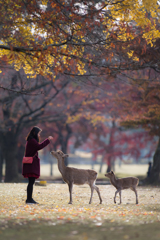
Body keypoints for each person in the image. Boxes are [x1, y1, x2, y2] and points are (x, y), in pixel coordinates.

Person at [22, 126, 53, 204]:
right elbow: (39, 147)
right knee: (31, 182)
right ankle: (29, 199)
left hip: (31, 164)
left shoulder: (30, 140)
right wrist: (48, 140)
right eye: (38, 133)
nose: (39, 135)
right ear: (34, 133)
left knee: (31, 182)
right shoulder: (32, 140)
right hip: (31, 164)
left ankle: (29, 199)